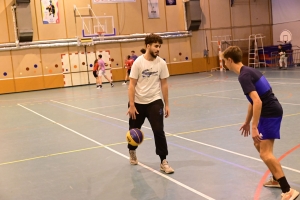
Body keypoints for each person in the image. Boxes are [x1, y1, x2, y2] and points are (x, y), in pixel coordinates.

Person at [222, 46, 299, 200]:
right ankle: (277, 179)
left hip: (270, 113)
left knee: (265, 153)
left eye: (224, 61)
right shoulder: (248, 71)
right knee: (259, 145)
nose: (224, 64)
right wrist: (247, 122)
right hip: (268, 112)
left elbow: (258, 101)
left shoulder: (243, 76)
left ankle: (288, 190)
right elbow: (253, 100)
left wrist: (254, 126)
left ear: (230, 60)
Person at [126, 33, 174, 174]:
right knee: (133, 131)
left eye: (159, 46)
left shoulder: (161, 63)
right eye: (155, 46)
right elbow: (132, 85)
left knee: (159, 131)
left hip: (154, 101)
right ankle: (132, 151)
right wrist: (132, 105)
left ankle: (163, 161)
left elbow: (164, 84)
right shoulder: (138, 63)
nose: (158, 49)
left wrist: (167, 104)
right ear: (148, 46)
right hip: (138, 103)